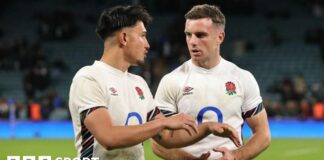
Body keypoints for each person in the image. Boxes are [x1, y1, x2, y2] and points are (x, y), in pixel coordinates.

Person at [69, 5, 241, 160]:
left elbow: (166, 137)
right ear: (124, 38)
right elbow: (109, 137)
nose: (147, 44)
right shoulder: (89, 78)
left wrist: (208, 128)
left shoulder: (139, 83)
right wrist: (162, 122)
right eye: (142, 36)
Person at [151, 4, 271, 160]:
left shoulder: (242, 78)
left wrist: (235, 156)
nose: (192, 41)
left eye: (200, 35)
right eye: (188, 35)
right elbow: (157, 143)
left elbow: (263, 134)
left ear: (220, 37)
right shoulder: (171, 81)